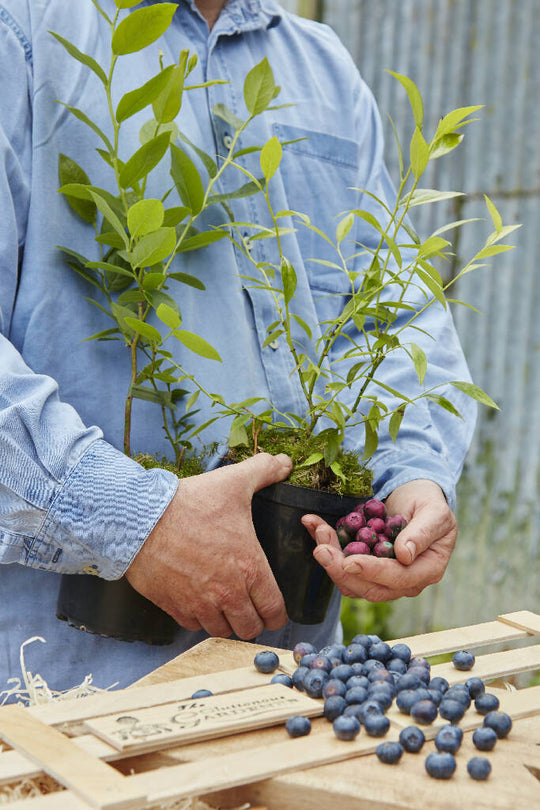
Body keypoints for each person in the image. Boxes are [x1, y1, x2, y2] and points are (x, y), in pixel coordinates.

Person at [0, 0, 474, 691]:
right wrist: (135, 519)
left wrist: (410, 476)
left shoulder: (323, 67)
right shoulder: (22, 32)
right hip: (63, 694)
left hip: (298, 683)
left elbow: (389, 310)